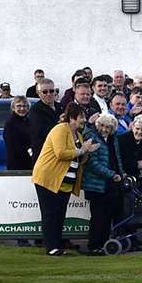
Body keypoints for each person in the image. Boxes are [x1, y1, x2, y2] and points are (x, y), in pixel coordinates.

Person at [30, 101, 89, 255]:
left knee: (60, 214)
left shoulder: (79, 135)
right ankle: (51, 247)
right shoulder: (60, 130)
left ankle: (57, 244)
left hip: (65, 182)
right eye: (81, 117)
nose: (84, 120)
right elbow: (61, 153)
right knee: (50, 214)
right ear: (72, 118)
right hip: (49, 178)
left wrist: (87, 151)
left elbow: (79, 159)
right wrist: (81, 150)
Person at [81, 112, 128, 254]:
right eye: (102, 126)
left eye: (108, 127)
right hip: (97, 185)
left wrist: (121, 172)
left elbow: (117, 157)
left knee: (108, 216)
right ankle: (94, 245)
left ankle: (104, 244)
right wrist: (111, 174)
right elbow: (92, 163)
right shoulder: (92, 137)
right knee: (98, 216)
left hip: (110, 185)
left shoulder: (113, 139)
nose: (105, 129)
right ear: (98, 125)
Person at [2, 95, 36, 171]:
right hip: (16, 166)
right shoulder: (10, 124)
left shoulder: (29, 121)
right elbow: (12, 146)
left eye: (24, 106)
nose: (22, 108)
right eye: (19, 106)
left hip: (30, 163)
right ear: (13, 108)